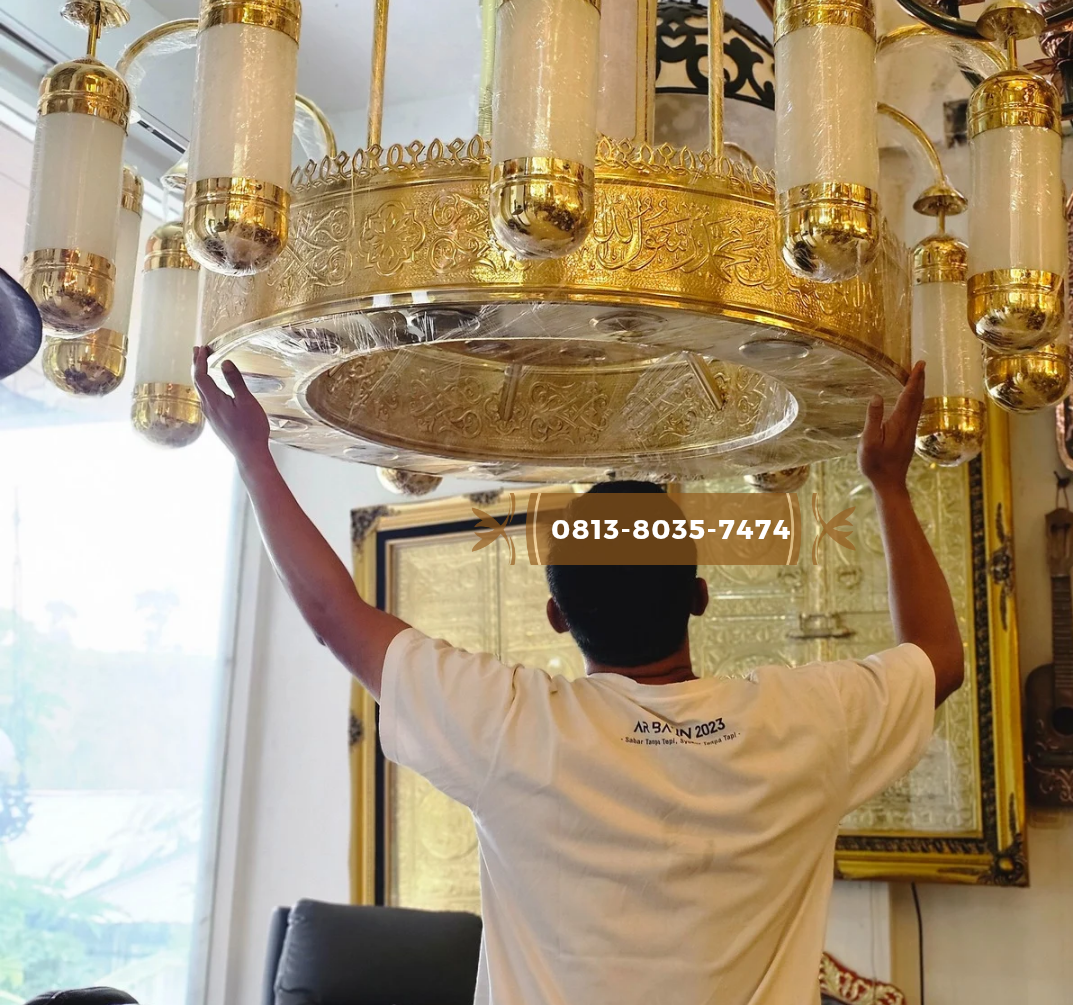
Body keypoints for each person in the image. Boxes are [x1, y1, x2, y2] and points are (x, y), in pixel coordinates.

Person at [194, 348, 962, 1005]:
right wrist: (889, 485)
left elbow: (334, 615)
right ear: (699, 598)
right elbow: (939, 656)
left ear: (558, 618)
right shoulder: (806, 721)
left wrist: (254, 459)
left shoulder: (515, 729)